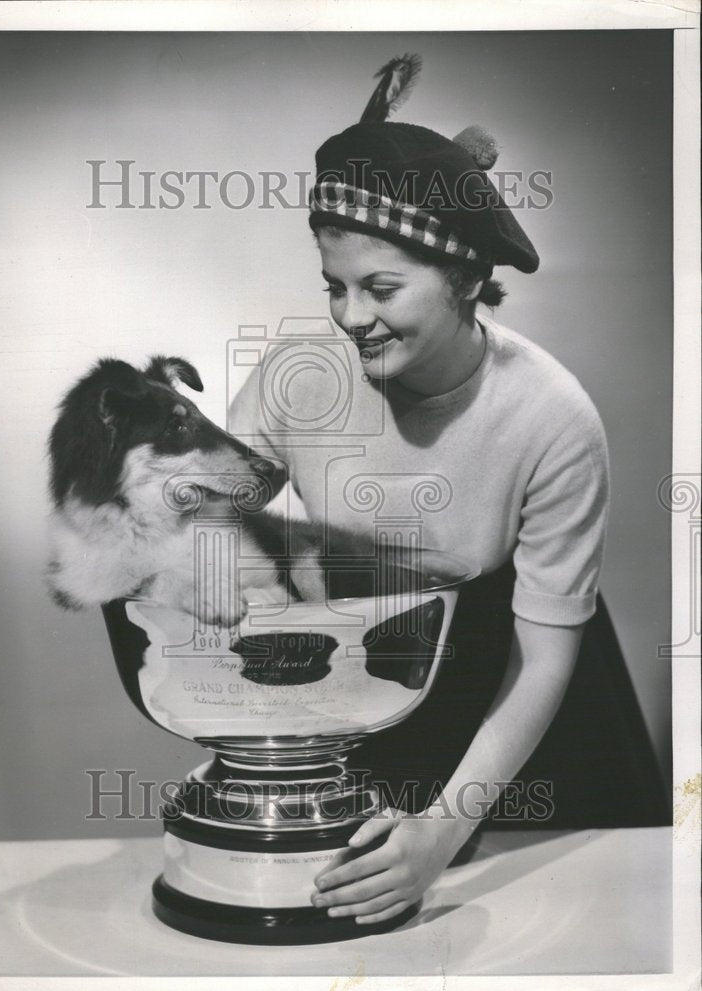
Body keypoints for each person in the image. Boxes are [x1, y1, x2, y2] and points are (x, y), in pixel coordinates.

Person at [228, 55, 668, 929]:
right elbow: (205, 515)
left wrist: (441, 830)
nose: (352, 319)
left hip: (511, 688)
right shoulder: (300, 371)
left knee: (573, 921)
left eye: (383, 288)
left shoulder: (554, 418)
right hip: (365, 673)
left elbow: (543, 658)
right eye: (336, 288)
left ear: (466, 279)